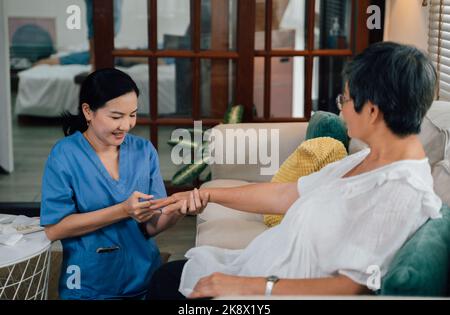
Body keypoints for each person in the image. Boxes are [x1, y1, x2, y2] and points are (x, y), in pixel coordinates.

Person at [146, 42, 443, 299]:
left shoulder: (400, 192)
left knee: (166, 285)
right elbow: (286, 193)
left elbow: (353, 287)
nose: (341, 109)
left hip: (276, 291)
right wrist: (206, 193)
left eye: (346, 100)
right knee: (166, 279)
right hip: (264, 268)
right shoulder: (368, 158)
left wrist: (245, 286)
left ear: (372, 111)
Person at [40, 68, 208, 299]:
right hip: (88, 285)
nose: (127, 125)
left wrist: (179, 210)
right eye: (116, 117)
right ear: (88, 111)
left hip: (144, 277)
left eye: (133, 115)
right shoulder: (64, 155)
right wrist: (122, 210)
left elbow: (151, 226)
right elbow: (55, 229)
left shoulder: (144, 151)